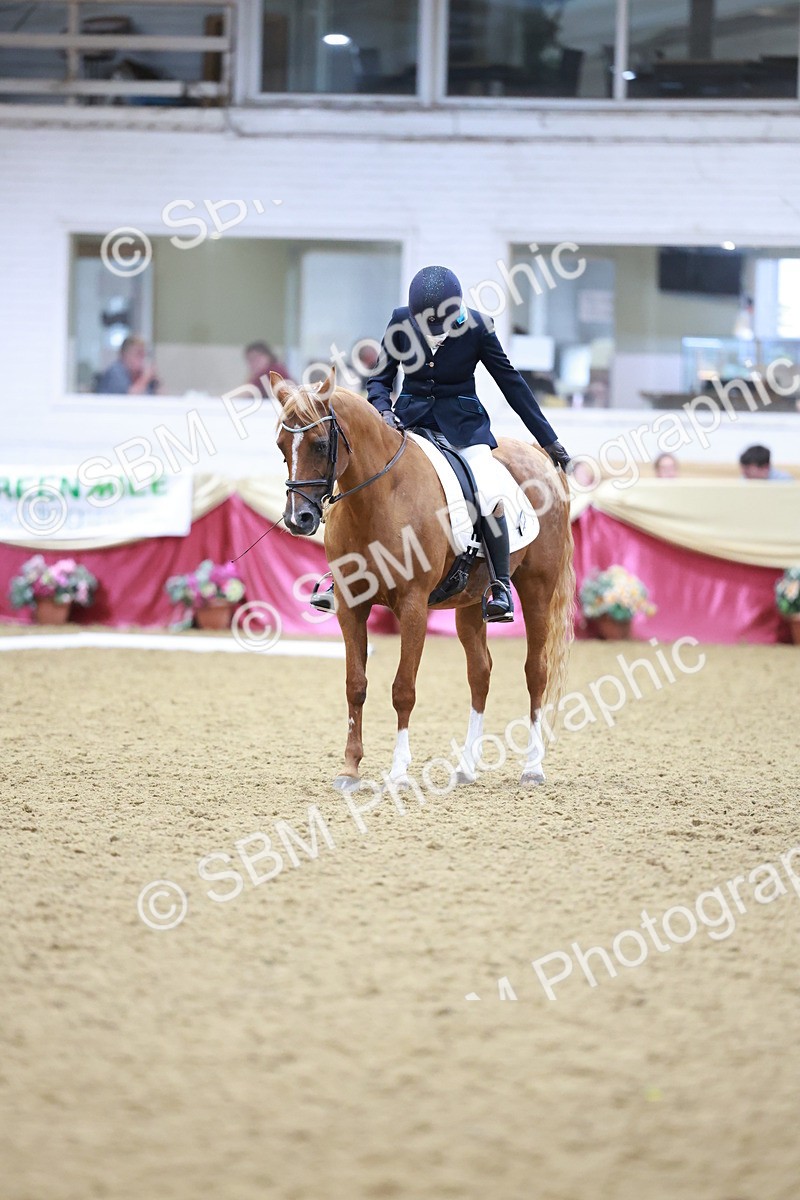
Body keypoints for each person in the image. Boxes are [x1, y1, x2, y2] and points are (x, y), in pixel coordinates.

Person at [365, 265, 572, 623]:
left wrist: (549, 440)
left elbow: (512, 384)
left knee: (490, 491)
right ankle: (341, 576)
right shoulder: (400, 321)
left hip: (463, 428)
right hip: (409, 424)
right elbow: (379, 380)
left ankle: (500, 584)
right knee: (371, 482)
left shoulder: (478, 326)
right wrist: (383, 411)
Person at [95, 335, 160, 395]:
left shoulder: (138, 374)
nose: (142, 358)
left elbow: (161, 398)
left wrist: (156, 383)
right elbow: (128, 399)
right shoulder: (115, 372)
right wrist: (145, 378)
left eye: (144, 354)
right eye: (138, 354)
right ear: (124, 354)